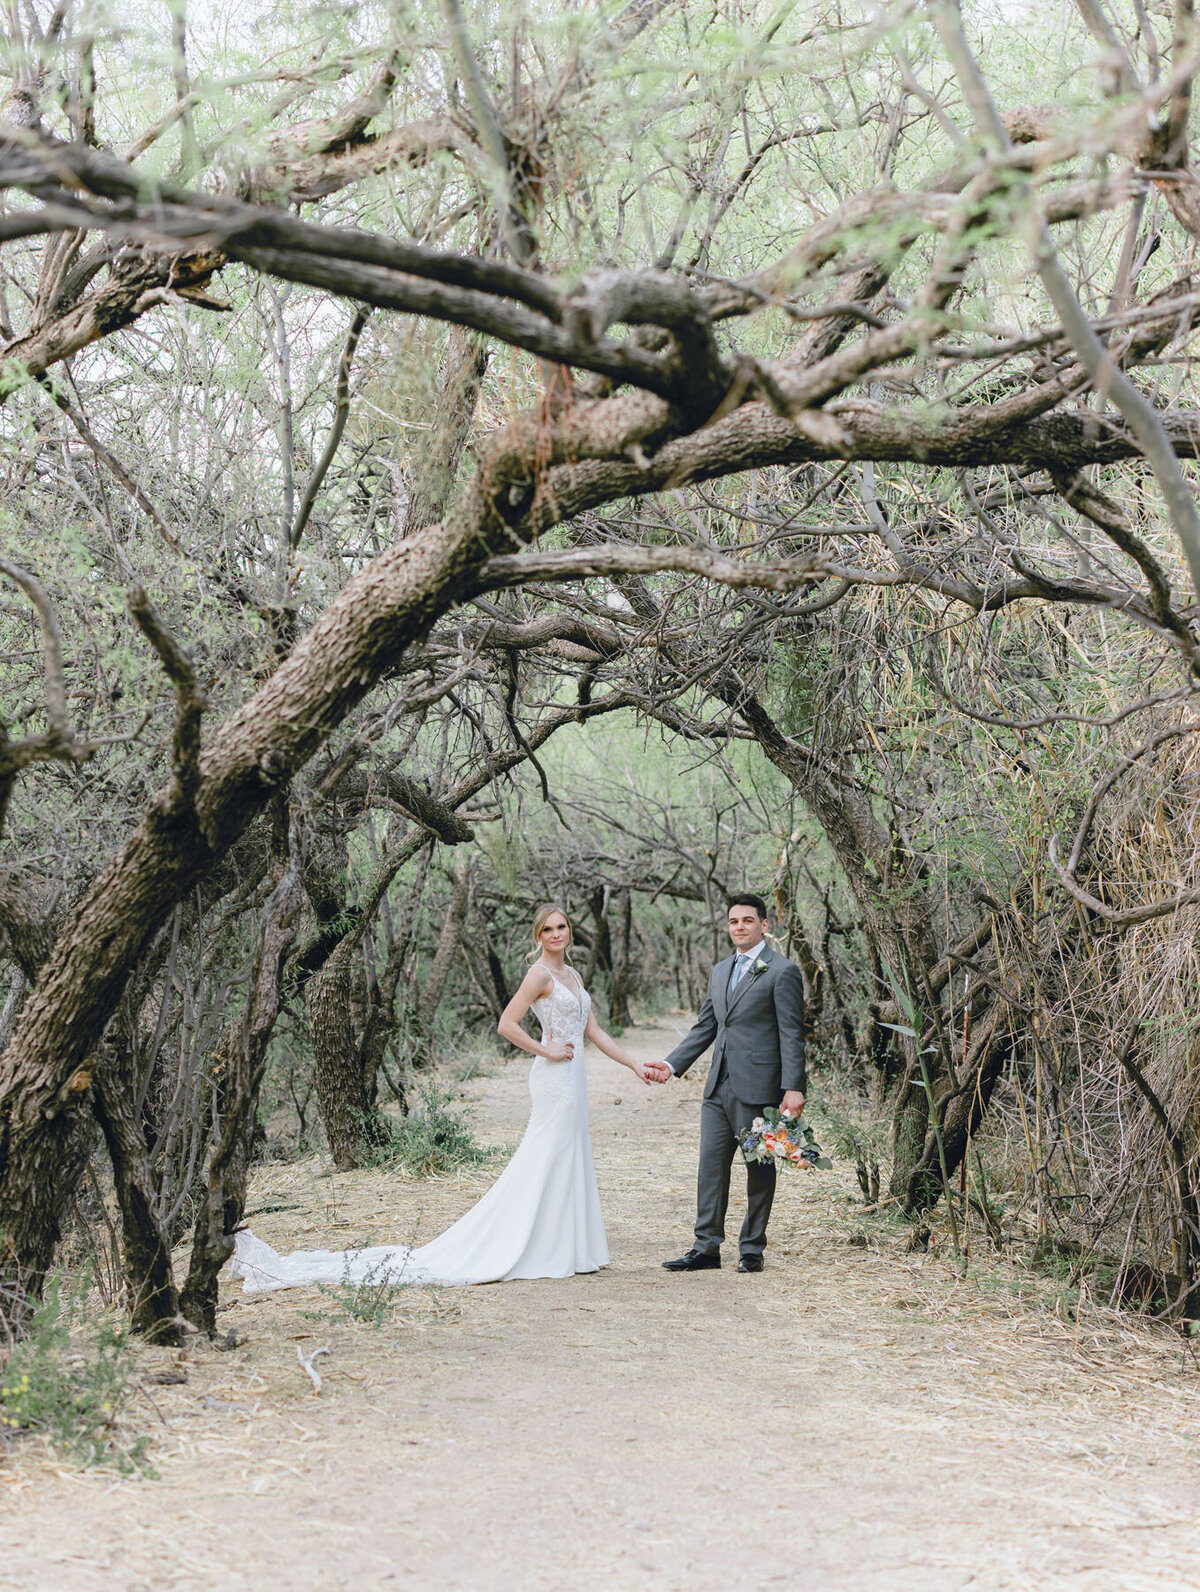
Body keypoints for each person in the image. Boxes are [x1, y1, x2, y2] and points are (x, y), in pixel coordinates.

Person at [229, 904, 656, 1292]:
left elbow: (594, 1031)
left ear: (569, 931)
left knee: (570, 1153)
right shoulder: (539, 975)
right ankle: (538, 1247)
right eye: (548, 929)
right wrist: (546, 1050)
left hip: (574, 1077)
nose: (556, 934)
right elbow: (506, 1024)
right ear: (538, 936)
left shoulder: (573, 976)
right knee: (547, 1155)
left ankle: (571, 1248)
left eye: (561, 927)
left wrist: (635, 1065)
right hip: (553, 1078)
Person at [655, 894, 806, 1274]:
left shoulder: (782, 971)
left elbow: (791, 1033)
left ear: (764, 925)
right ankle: (706, 1248)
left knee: (759, 1167)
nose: (740, 926)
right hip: (717, 1088)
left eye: (748, 920)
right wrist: (671, 1065)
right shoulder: (720, 971)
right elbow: (706, 1026)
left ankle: (752, 1249)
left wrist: (794, 1086)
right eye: (734, 921)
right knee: (711, 1167)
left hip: (760, 1088)